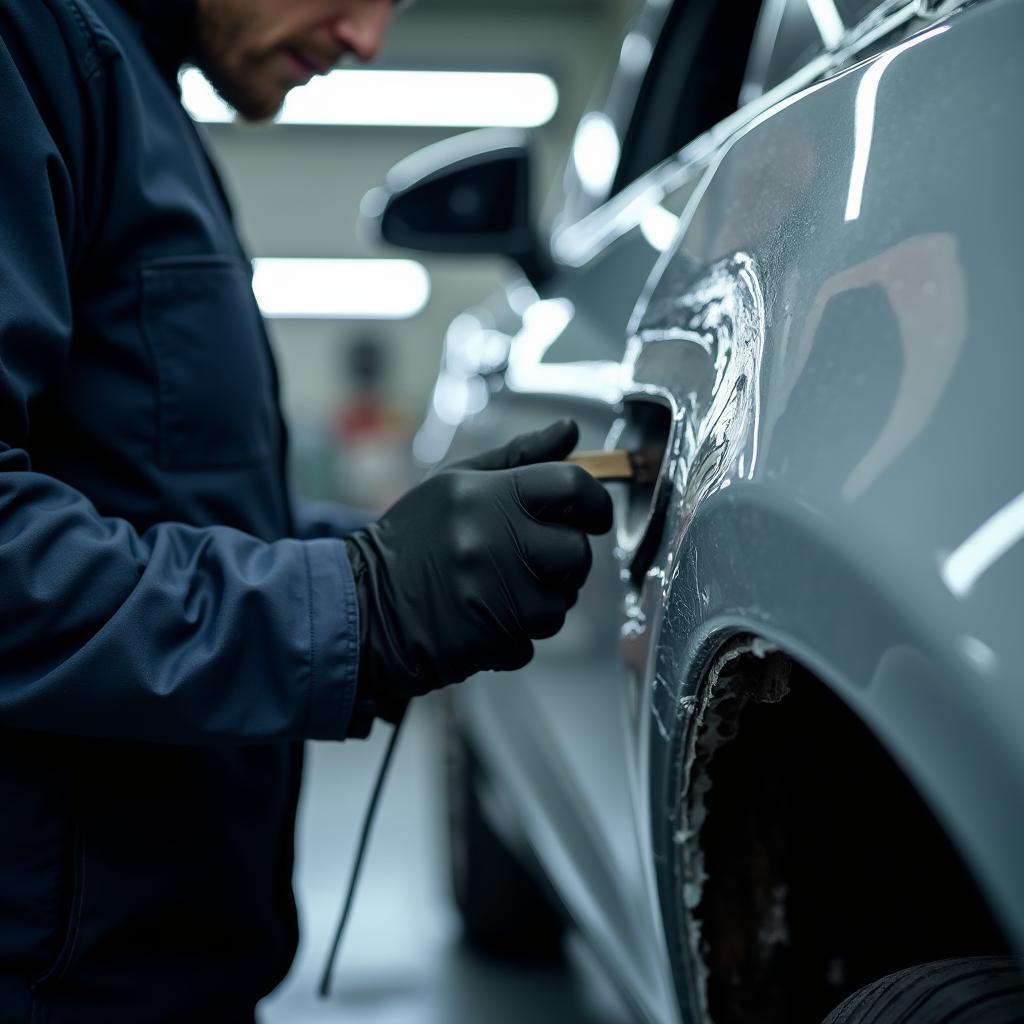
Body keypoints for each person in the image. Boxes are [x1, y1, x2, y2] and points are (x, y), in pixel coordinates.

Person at [0, 1, 612, 1020]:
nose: (368, 37)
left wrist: (373, 552)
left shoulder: (142, 96)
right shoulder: (28, 48)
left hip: (157, 959)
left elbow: (147, 485)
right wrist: (355, 603)